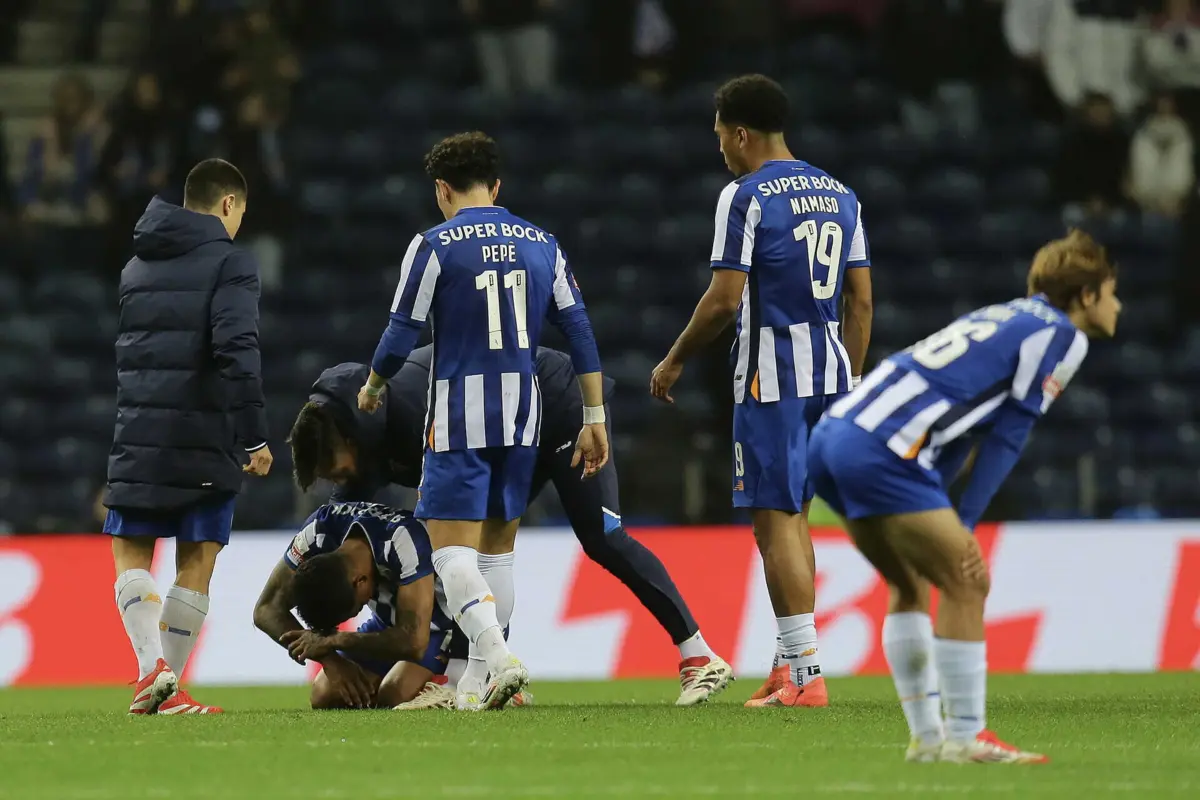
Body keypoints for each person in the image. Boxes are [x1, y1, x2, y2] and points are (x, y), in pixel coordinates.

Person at [807, 230, 1119, 764]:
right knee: (968, 579)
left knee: (909, 584)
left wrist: (941, 503)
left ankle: (928, 740)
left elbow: (963, 430)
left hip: (834, 435)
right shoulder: (1064, 335)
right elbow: (1008, 435)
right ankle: (967, 736)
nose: (1117, 305)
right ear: (1086, 295)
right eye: (1111, 293)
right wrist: (965, 522)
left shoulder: (1003, 316)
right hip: (883, 449)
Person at [288, 348, 733, 706]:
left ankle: (699, 656)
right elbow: (341, 525)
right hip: (504, 424)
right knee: (476, 547)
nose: (339, 480)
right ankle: (485, 676)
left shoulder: (413, 415)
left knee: (601, 538)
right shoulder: (368, 437)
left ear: (353, 437)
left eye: (335, 468)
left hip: (553, 403)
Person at [359, 132, 608, 710]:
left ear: (442, 189)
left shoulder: (434, 244)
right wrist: (594, 414)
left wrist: (373, 385)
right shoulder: (543, 243)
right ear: (496, 187)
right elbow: (579, 330)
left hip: (459, 412)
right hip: (524, 413)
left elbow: (401, 332)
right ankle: (472, 686)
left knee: (449, 551)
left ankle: (498, 660)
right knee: (497, 552)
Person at [651, 74, 873, 708]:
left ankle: (805, 675)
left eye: (721, 134)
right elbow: (860, 302)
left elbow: (724, 299)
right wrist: (851, 382)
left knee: (775, 522)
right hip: (831, 375)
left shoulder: (744, 195)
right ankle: (787, 664)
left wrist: (674, 359)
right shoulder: (842, 195)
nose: (720, 147)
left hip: (771, 377)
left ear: (741, 133)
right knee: (795, 518)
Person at [104, 159, 272, 715]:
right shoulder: (231, 261)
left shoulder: (136, 265)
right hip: (204, 434)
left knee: (131, 551)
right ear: (228, 204)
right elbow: (236, 350)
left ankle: (149, 674)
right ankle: (167, 684)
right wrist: (254, 436)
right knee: (196, 560)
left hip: (138, 431)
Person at [253, 501, 484, 710]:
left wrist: (334, 641)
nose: (363, 606)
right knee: (325, 695)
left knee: (394, 694)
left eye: (356, 608)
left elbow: (414, 642)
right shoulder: (317, 532)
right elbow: (266, 609)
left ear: (360, 581)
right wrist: (331, 660)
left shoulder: (403, 541)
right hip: (388, 624)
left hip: (441, 625)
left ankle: (462, 682)